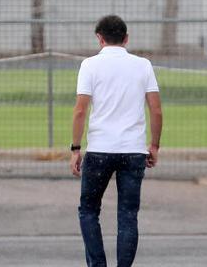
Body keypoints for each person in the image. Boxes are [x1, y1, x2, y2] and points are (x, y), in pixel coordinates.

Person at [70, 15, 163, 267]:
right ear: (126, 38)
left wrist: (76, 148)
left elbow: (80, 110)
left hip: (100, 149)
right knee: (128, 215)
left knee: (89, 210)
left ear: (99, 38)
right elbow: (156, 110)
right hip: (133, 150)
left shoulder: (89, 65)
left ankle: (98, 265)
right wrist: (154, 145)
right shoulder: (143, 65)